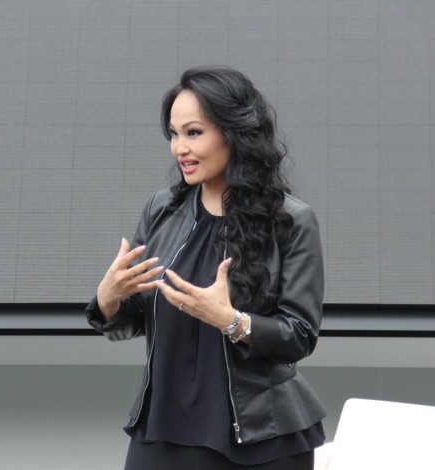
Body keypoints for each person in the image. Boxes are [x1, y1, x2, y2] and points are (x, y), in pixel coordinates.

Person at [86, 65, 326, 469]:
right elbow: (138, 317)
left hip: (261, 437)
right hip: (163, 424)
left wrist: (231, 321)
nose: (179, 148)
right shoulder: (162, 209)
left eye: (194, 133)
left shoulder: (290, 220)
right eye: (174, 134)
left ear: (234, 134)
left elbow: (299, 335)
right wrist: (108, 299)